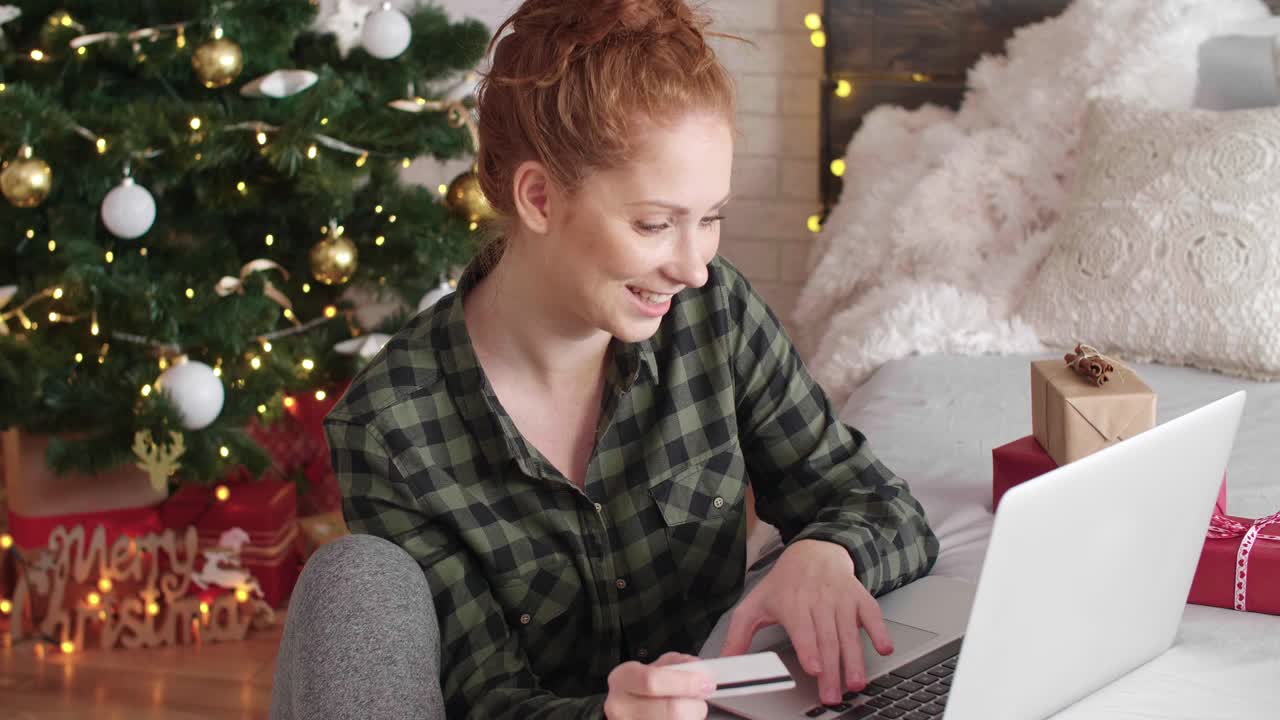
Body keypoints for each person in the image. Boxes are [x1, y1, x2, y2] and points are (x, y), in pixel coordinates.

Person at [270, 1, 939, 718]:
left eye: (710, 218)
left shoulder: (714, 317)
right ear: (538, 197)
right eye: (655, 223)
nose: (694, 267)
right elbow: (484, 699)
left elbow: (879, 504)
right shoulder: (391, 430)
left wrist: (827, 553)